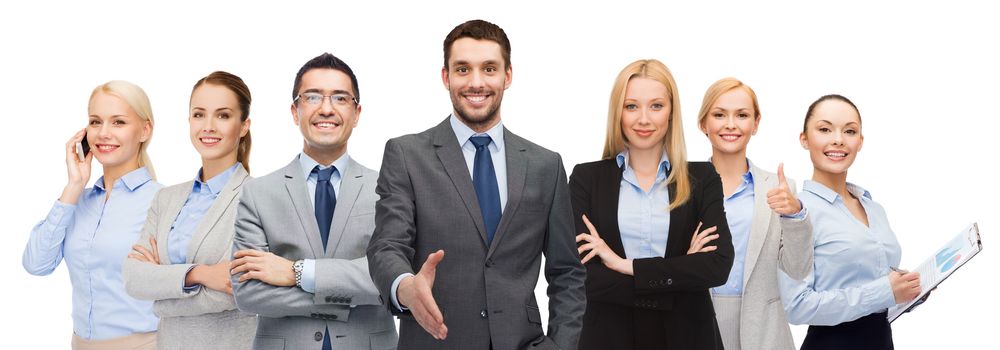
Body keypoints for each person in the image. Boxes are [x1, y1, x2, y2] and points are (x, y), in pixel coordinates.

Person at [367, 19, 586, 350]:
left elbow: (567, 272)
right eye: (463, 69)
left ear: (507, 75)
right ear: (446, 77)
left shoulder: (546, 165)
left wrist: (560, 346)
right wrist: (406, 287)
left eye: (489, 68)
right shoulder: (406, 155)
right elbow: (387, 246)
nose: (476, 82)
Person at [230, 53, 397, 350]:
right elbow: (248, 293)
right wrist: (339, 299)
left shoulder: (388, 188)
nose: (326, 109)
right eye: (312, 97)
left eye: (340, 98)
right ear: (295, 112)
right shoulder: (258, 194)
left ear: (357, 114)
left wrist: (295, 273)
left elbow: (389, 279)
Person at [569, 59, 734, 350]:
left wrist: (623, 265)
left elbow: (716, 267)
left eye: (656, 106)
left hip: (688, 337)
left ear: (671, 113)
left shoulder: (702, 177)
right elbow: (582, 275)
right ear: (617, 113)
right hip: (608, 337)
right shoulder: (587, 178)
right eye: (631, 106)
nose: (643, 119)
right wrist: (679, 272)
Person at [122, 71, 256, 349]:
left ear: (243, 125)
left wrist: (159, 298)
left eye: (223, 115)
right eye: (199, 114)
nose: (208, 126)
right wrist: (199, 274)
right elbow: (134, 278)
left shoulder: (258, 197)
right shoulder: (166, 199)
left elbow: (235, 291)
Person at [23, 80, 161, 349]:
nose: (103, 133)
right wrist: (74, 186)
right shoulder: (79, 201)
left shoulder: (162, 201)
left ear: (144, 130)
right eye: (96, 122)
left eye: (118, 122)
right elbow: (36, 264)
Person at [778, 94, 921, 350]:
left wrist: (906, 292)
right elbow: (797, 306)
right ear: (804, 139)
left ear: (860, 141)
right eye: (824, 129)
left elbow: (874, 286)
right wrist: (884, 292)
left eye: (850, 131)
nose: (838, 140)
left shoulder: (873, 207)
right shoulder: (798, 211)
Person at [692, 78, 813, 350]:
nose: (731, 124)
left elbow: (798, 268)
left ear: (756, 123)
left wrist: (796, 216)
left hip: (765, 333)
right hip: (696, 325)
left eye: (742, 115)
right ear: (703, 124)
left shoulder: (781, 190)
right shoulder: (680, 187)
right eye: (719, 114)